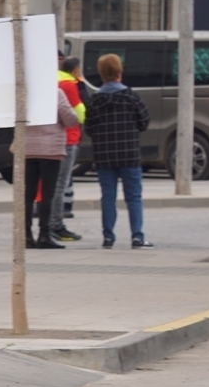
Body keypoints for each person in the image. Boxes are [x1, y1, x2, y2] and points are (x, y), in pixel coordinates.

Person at [83, 53, 151, 248]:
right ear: (119, 72)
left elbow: (89, 128)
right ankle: (137, 236)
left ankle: (108, 237)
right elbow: (144, 121)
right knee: (134, 197)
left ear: (101, 74)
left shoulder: (95, 100)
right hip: (129, 153)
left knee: (108, 197)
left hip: (104, 156)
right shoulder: (131, 96)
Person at [23, 82, 79, 249]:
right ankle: (44, 234)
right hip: (50, 149)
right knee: (48, 194)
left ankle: (26, 235)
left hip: (27, 147)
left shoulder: (24, 92)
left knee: (28, 194)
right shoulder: (55, 93)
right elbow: (70, 120)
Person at [48, 52, 88, 242]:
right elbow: (80, 113)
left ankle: (50, 223)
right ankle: (56, 224)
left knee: (52, 183)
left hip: (52, 137)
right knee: (60, 184)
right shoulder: (69, 85)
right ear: (75, 69)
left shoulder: (52, 81)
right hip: (69, 138)